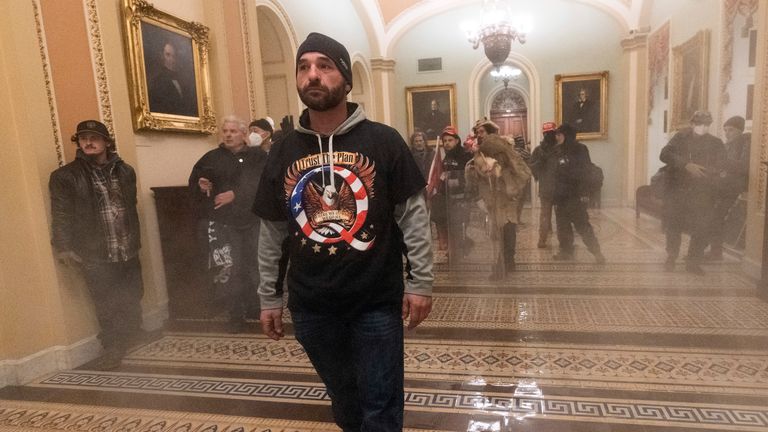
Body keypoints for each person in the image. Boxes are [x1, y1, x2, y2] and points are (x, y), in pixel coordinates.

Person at [253, 32, 433, 430]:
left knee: (380, 405)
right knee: (345, 402)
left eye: (324, 66)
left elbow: (413, 215)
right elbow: (272, 229)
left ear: (346, 80)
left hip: (375, 302)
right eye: (304, 67)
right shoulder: (283, 150)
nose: (312, 75)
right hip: (312, 306)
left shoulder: (383, 140)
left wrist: (420, 282)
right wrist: (270, 296)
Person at [49, 120, 144, 370]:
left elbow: (130, 207)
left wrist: (136, 241)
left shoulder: (125, 171)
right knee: (105, 303)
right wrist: (64, 246)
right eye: (83, 138)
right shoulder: (65, 177)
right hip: (95, 252)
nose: (88, 142)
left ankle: (131, 335)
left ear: (106, 142)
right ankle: (112, 347)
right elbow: (61, 214)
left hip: (127, 247)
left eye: (94, 137)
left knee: (133, 295)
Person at [189, 115, 267, 333]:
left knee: (255, 266)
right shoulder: (210, 158)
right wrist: (202, 186)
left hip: (252, 220)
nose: (228, 135)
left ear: (243, 134)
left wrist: (236, 195)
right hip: (224, 224)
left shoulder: (257, 156)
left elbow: (264, 183)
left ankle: (256, 306)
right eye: (225, 131)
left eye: (233, 131)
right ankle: (235, 313)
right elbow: (196, 183)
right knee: (231, 267)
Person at [660, 111, 726, 274]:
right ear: (692, 124)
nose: (702, 127)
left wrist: (707, 172)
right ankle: (671, 256)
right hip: (678, 189)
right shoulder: (680, 138)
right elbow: (664, 154)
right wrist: (686, 165)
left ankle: (693, 261)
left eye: (706, 124)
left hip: (702, 191)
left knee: (701, 227)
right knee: (674, 225)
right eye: (698, 124)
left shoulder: (716, 143)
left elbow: (722, 164)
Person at [466, 120, 531, 278]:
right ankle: (509, 261)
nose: (479, 135)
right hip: (499, 195)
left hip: (503, 195)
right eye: (477, 132)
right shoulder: (490, 148)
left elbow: (494, 170)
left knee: (503, 230)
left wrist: (478, 159)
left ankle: (502, 265)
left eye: (481, 132)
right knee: (506, 228)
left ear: (489, 132)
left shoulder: (493, 145)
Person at [551, 123, 606, 263]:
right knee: (562, 227)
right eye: (556, 134)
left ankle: (597, 253)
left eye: (559, 134)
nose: (557, 137)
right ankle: (566, 252)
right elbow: (555, 174)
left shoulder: (580, 149)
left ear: (567, 135)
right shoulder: (557, 150)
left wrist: (584, 194)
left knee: (583, 226)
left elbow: (585, 172)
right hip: (561, 197)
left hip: (575, 196)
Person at [705, 115, 751, 259]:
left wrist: (723, 162)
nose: (726, 133)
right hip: (723, 184)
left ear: (739, 130)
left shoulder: (746, 143)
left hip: (735, 187)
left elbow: (744, 167)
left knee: (715, 215)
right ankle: (706, 249)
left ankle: (713, 251)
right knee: (707, 212)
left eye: (730, 130)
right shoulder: (727, 145)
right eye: (725, 130)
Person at [431, 126, 472, 255]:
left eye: (450, 140)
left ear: (457, 141)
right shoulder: (446, 157)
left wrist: (458, 182)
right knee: (449, 224)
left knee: (460, 224)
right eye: (445, 141)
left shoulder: (465, 155)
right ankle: (454, 249)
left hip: (462, 197)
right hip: (448, 196)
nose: (447, 143)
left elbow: (469, 175)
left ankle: (460, 248)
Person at [529, 122, 559, 248]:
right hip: (551, 188)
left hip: (557, 188)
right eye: (547, 133)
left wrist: (538, 174)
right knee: (547, 216)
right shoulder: (539, 151)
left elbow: (533, 168)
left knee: (548, 215)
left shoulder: (560, 149)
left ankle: (543, 240)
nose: (548, 135)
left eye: (550, 133)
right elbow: (532, 167)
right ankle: (542, 239)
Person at [148, 41, 197, 116]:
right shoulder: (158, 81)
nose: (172, 60)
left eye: (174, 56)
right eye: (168, 55)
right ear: (162, 56)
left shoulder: (183, 79)